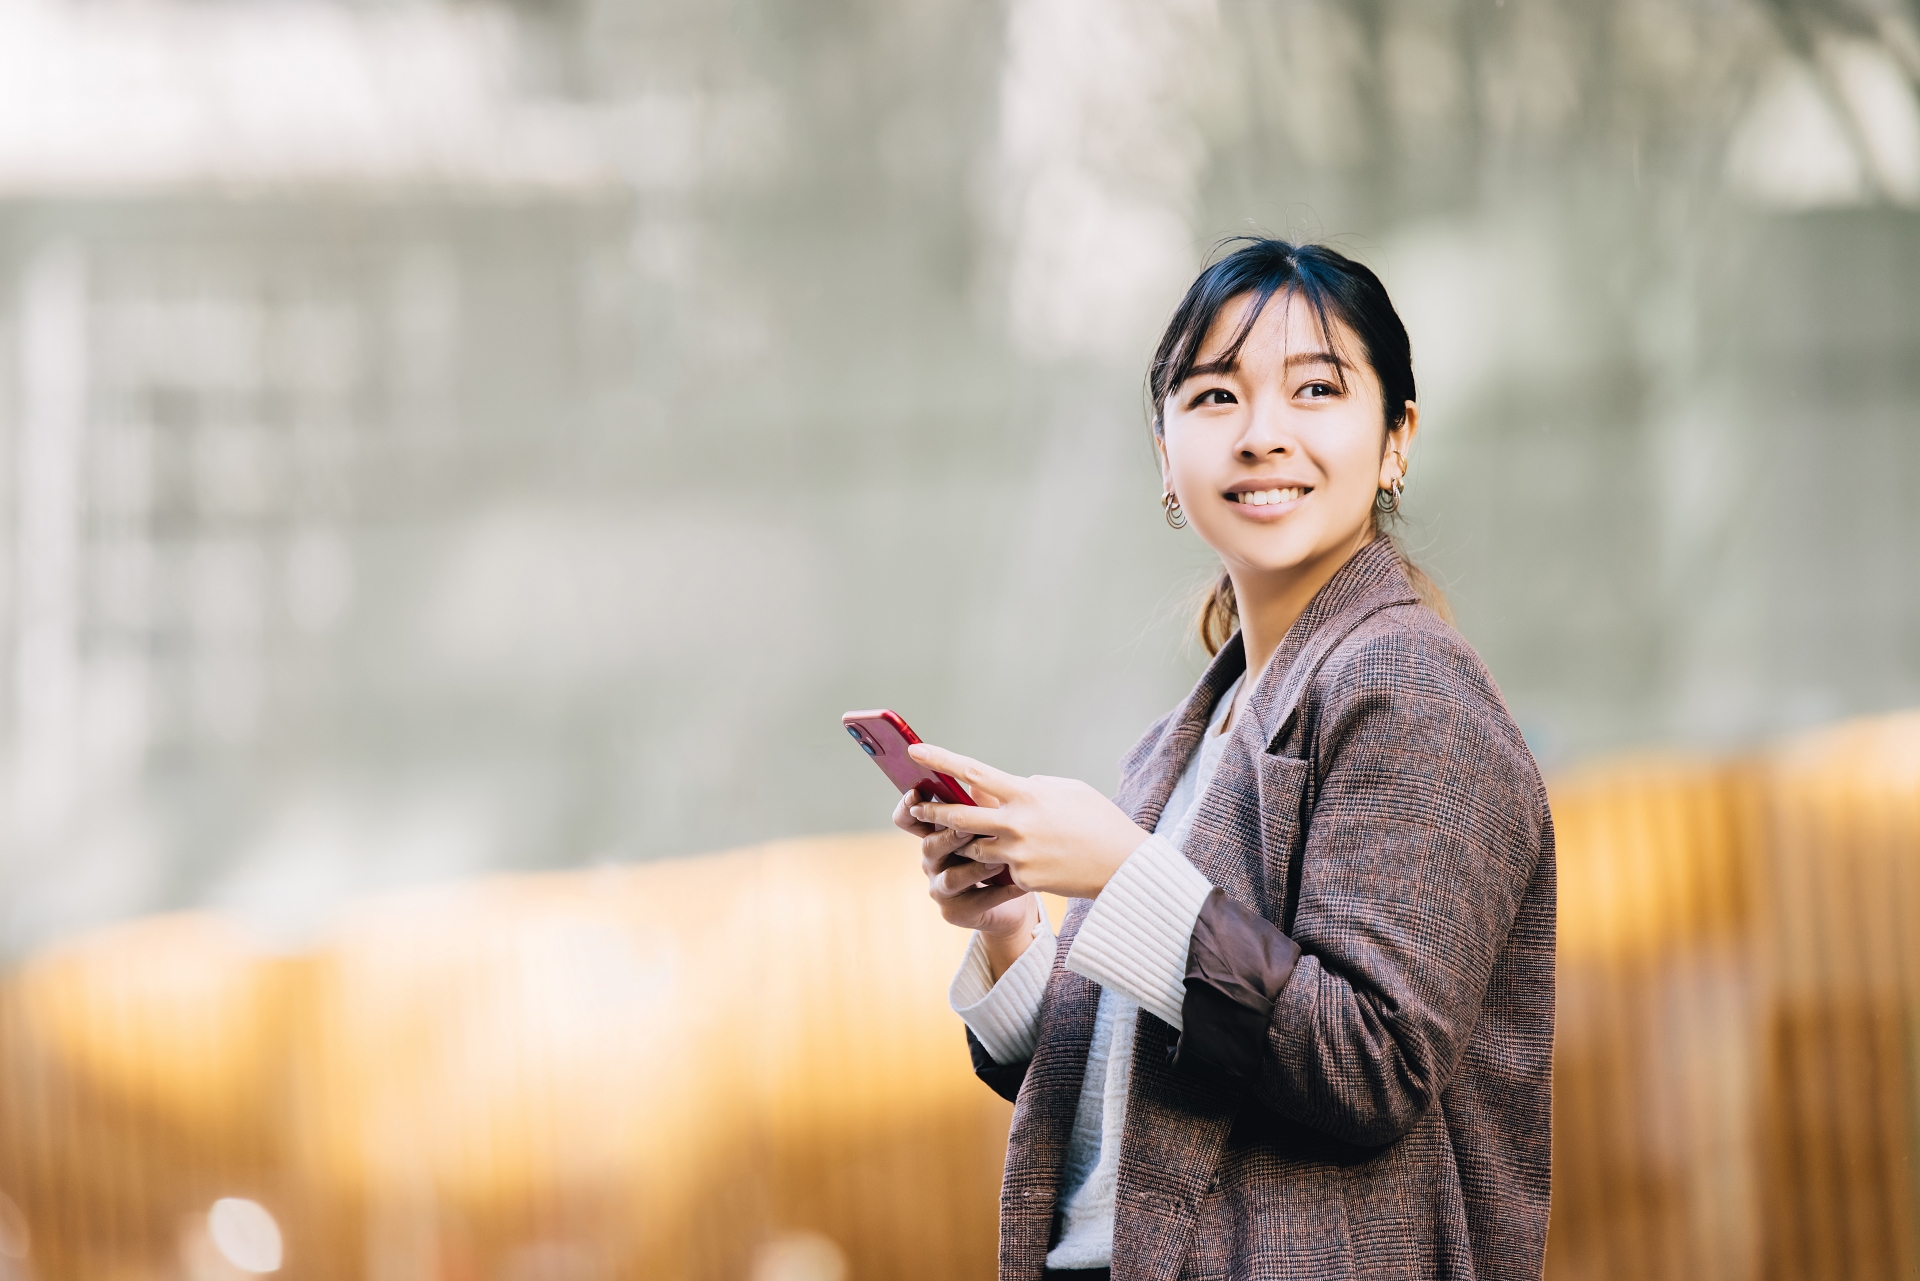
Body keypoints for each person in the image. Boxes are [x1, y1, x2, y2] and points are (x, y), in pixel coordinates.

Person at [891, 238, 1556, 1281]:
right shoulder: (1179, 740)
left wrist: (1123, 874)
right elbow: (1150, 1101)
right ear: (1165, 453)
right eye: (1214, 399)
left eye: (1317, 389)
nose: (1262, 435)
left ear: (1396, 440)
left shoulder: (1412, 687)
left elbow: (1373, 1062)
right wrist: (1015, 929)